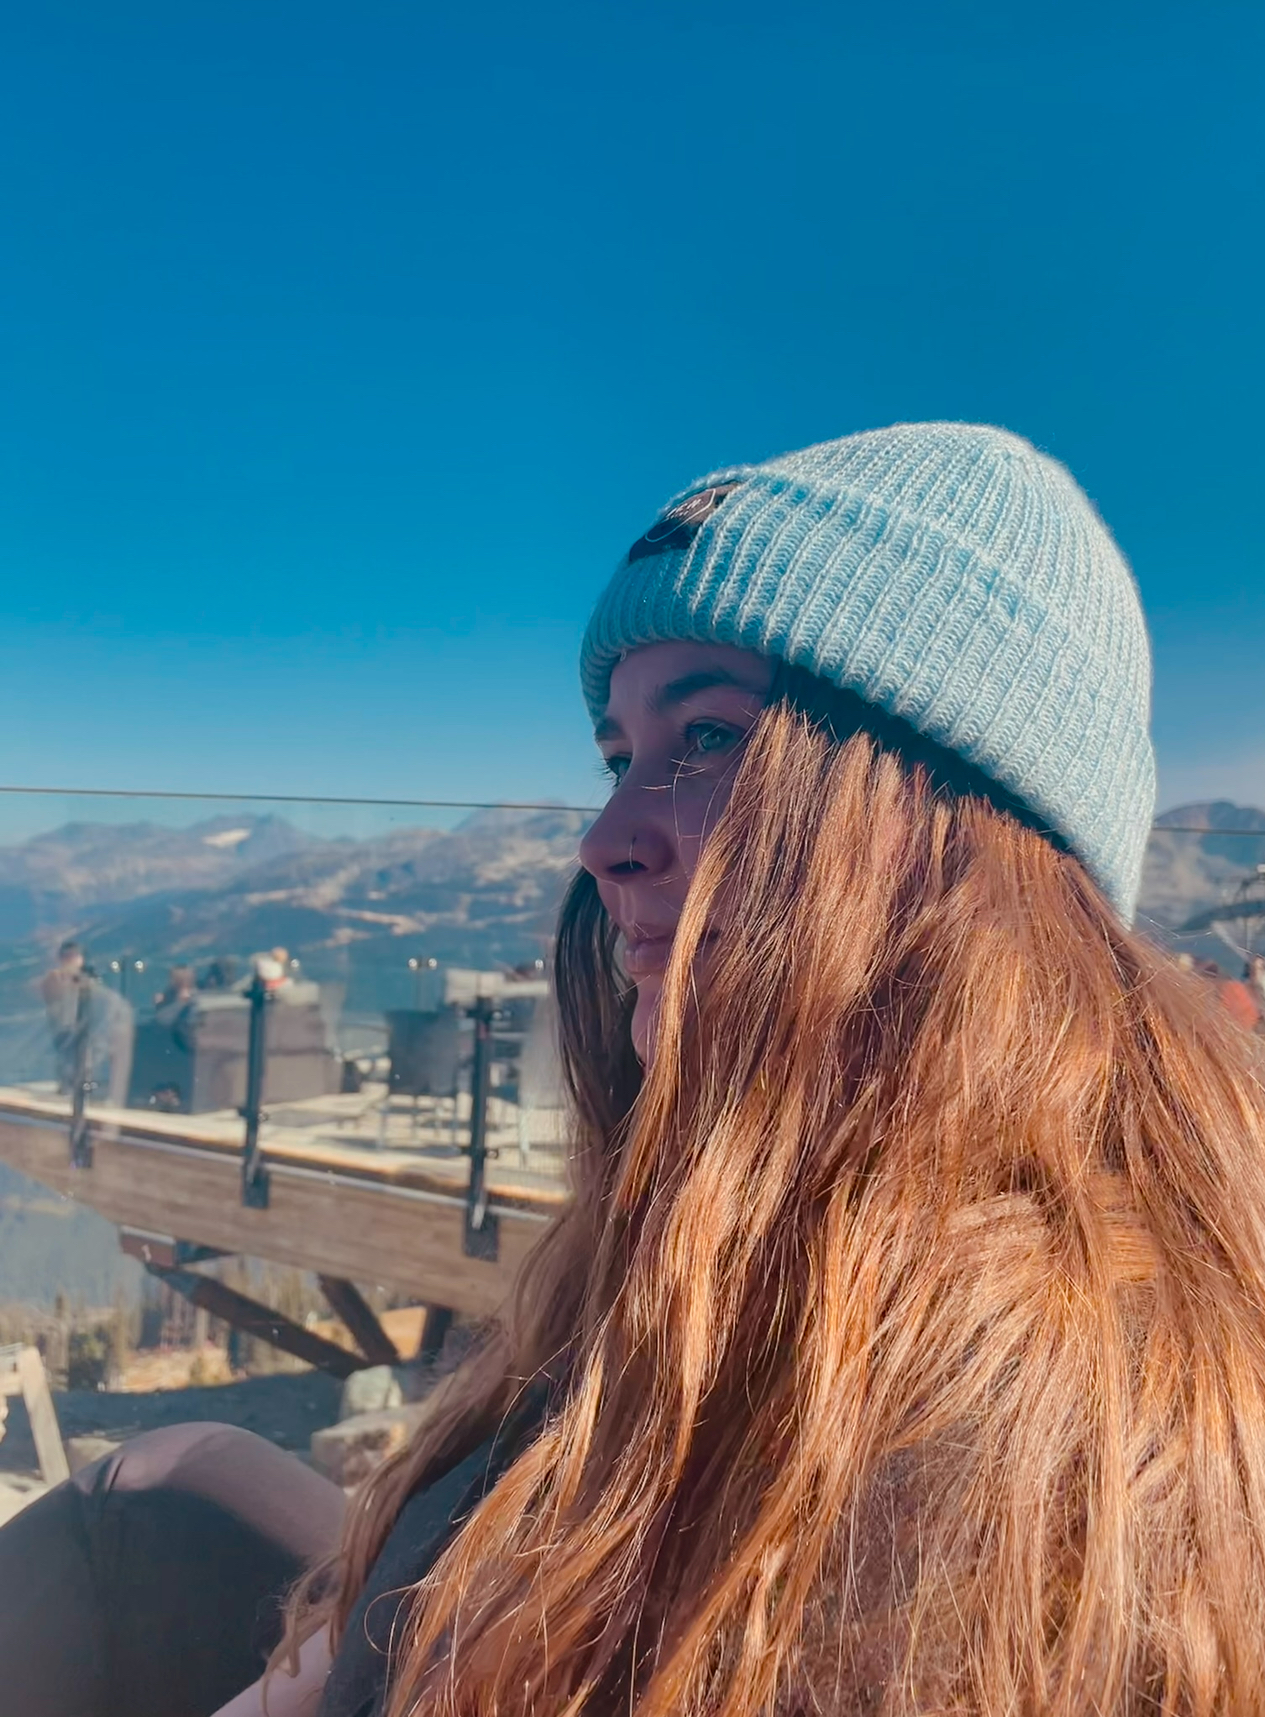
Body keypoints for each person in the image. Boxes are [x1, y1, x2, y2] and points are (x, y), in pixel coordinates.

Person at [7, 423, 1265, 1716]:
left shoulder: (1017, 1446)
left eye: (709, 737)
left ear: (961, 824)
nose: (606, 838)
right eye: (618, 756)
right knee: (153, 1489)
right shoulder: (746, 1195)